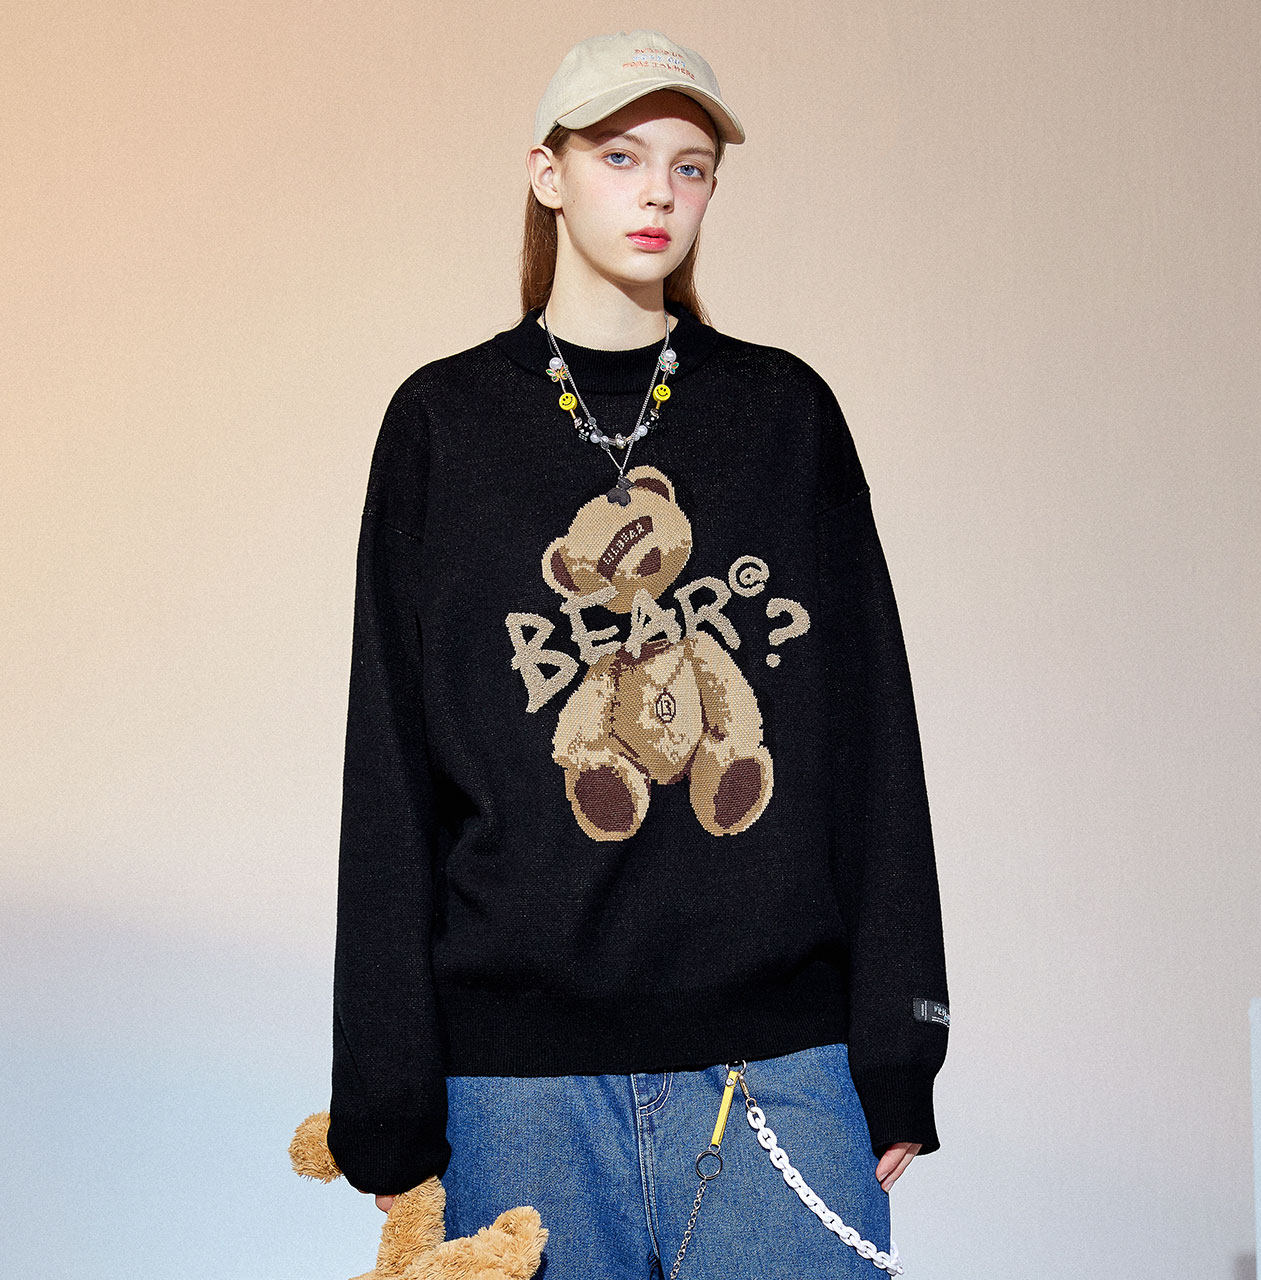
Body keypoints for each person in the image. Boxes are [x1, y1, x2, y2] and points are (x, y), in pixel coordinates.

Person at [325, 28, 949, 1280]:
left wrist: (897, 1038)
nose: (659, 189)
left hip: (775, 1066)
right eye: (619, 155)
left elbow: (870, 733)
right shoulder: (443, 425)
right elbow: (388, 765)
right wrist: (386, 1086)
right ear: (546, 173)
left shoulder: (782, 415)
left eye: (689, 164)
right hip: (517, 1092)